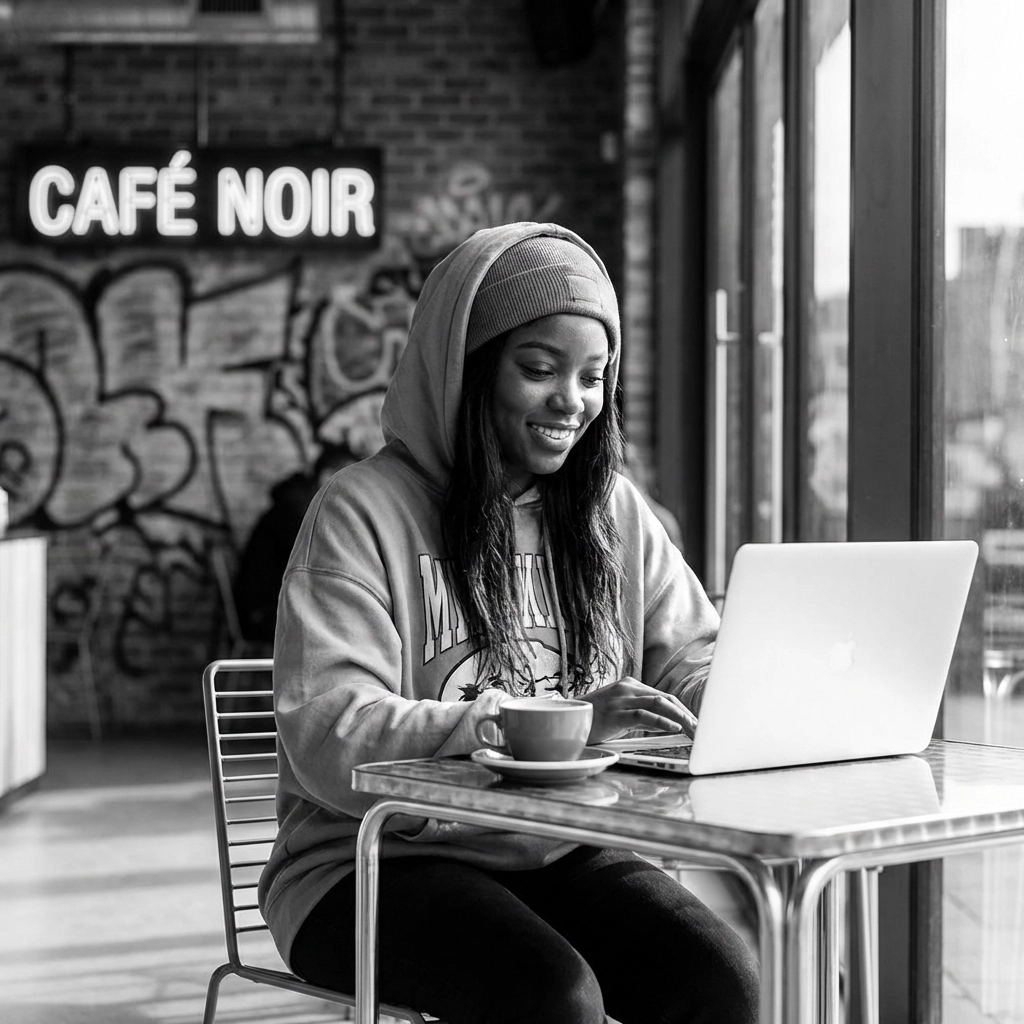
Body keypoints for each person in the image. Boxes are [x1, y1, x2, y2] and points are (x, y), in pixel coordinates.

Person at [259, 223, 759, 1024]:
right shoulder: (361, 512)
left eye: (595, 376)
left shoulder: (611, 514)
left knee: (721, 979)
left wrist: (732, 699)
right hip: (371, 862)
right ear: (467, 370)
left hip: (558, 842)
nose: (573, 400)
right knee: (551, 998)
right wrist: (545, 724)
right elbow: (330, 733)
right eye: (539, 369)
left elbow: (690, 654)